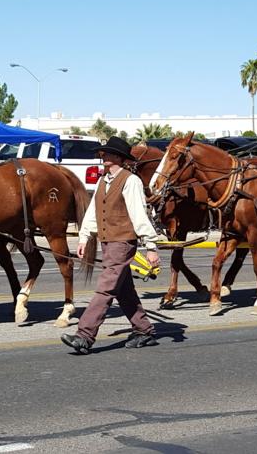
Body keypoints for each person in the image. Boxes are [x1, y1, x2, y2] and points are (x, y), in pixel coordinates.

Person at [61, 136, 162, 355]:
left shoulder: (130, 181)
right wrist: (84, 236)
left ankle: (84, 336)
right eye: (102, 153)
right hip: (108, 242)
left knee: (105, 288)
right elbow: (93, 212)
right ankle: (144, 330)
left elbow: (139, 214)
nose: (102, 156)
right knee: (124, 291)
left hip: (123, 242)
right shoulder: (102, 181)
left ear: (117, 157)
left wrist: (151, 246)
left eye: (106, 153)